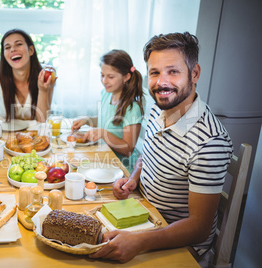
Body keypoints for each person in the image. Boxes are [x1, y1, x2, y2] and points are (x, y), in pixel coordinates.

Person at [90, 32, 233, 264]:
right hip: (146, 213)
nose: (161, 82)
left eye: (173, 71)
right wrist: (134, 178)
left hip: (178, 242)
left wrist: (140, 241)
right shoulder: (160, 108)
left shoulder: (209, 141)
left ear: (194, 73)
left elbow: (199, 228)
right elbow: (147, 155)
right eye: (155, 72)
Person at [72, 49, 145, 173]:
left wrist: (103, 134)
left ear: (126, 77)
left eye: (110, 77)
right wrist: (87, 120)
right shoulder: (107, 95)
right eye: (102, 75)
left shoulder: (132, 108)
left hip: (122, 168)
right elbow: (104, 118)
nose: (104, 81)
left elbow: (128, 150)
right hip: (105, 158)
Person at [0, 28, 56, 122]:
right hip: (3, 135)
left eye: (19, 44)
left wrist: (43, 90)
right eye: (7, 47)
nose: (13, 49)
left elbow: (43, 121)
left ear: (31, 50)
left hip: (35, 136)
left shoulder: (45, 75)